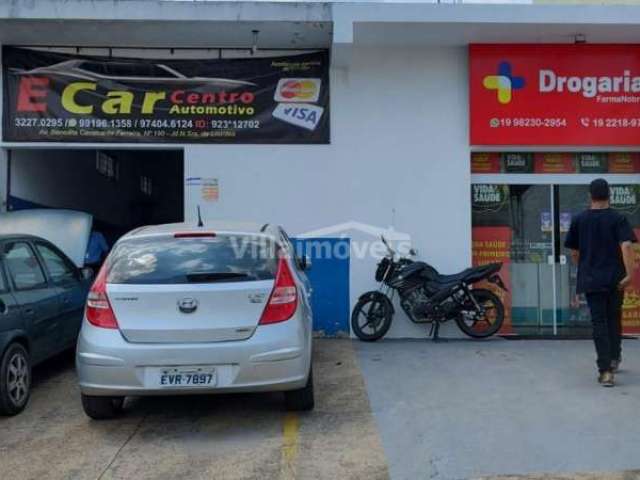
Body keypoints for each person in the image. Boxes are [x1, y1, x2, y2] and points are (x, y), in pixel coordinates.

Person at [565, 178, 637, 387]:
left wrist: (584, 268)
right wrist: (629, 274)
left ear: (590, 196)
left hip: (591, 279)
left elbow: (575, 252)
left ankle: (605, 371)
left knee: (599, 322)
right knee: (614, 318)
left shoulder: (579, 220)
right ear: (609, 196)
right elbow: (626, 247)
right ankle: (614, 358)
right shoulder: (618, 218)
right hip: (616, 278)